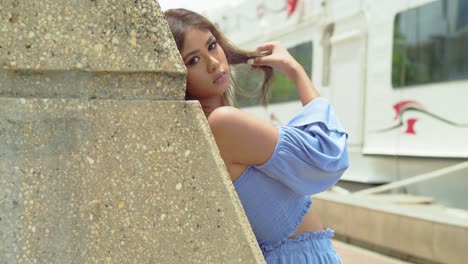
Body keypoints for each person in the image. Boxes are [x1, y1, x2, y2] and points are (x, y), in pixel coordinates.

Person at [164, 8, 349, 264]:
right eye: (193, 60)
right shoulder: (222, 123)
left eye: (212, 46)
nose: (214, 63)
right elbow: (327, 155)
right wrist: (295, 70)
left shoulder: (206, 129)